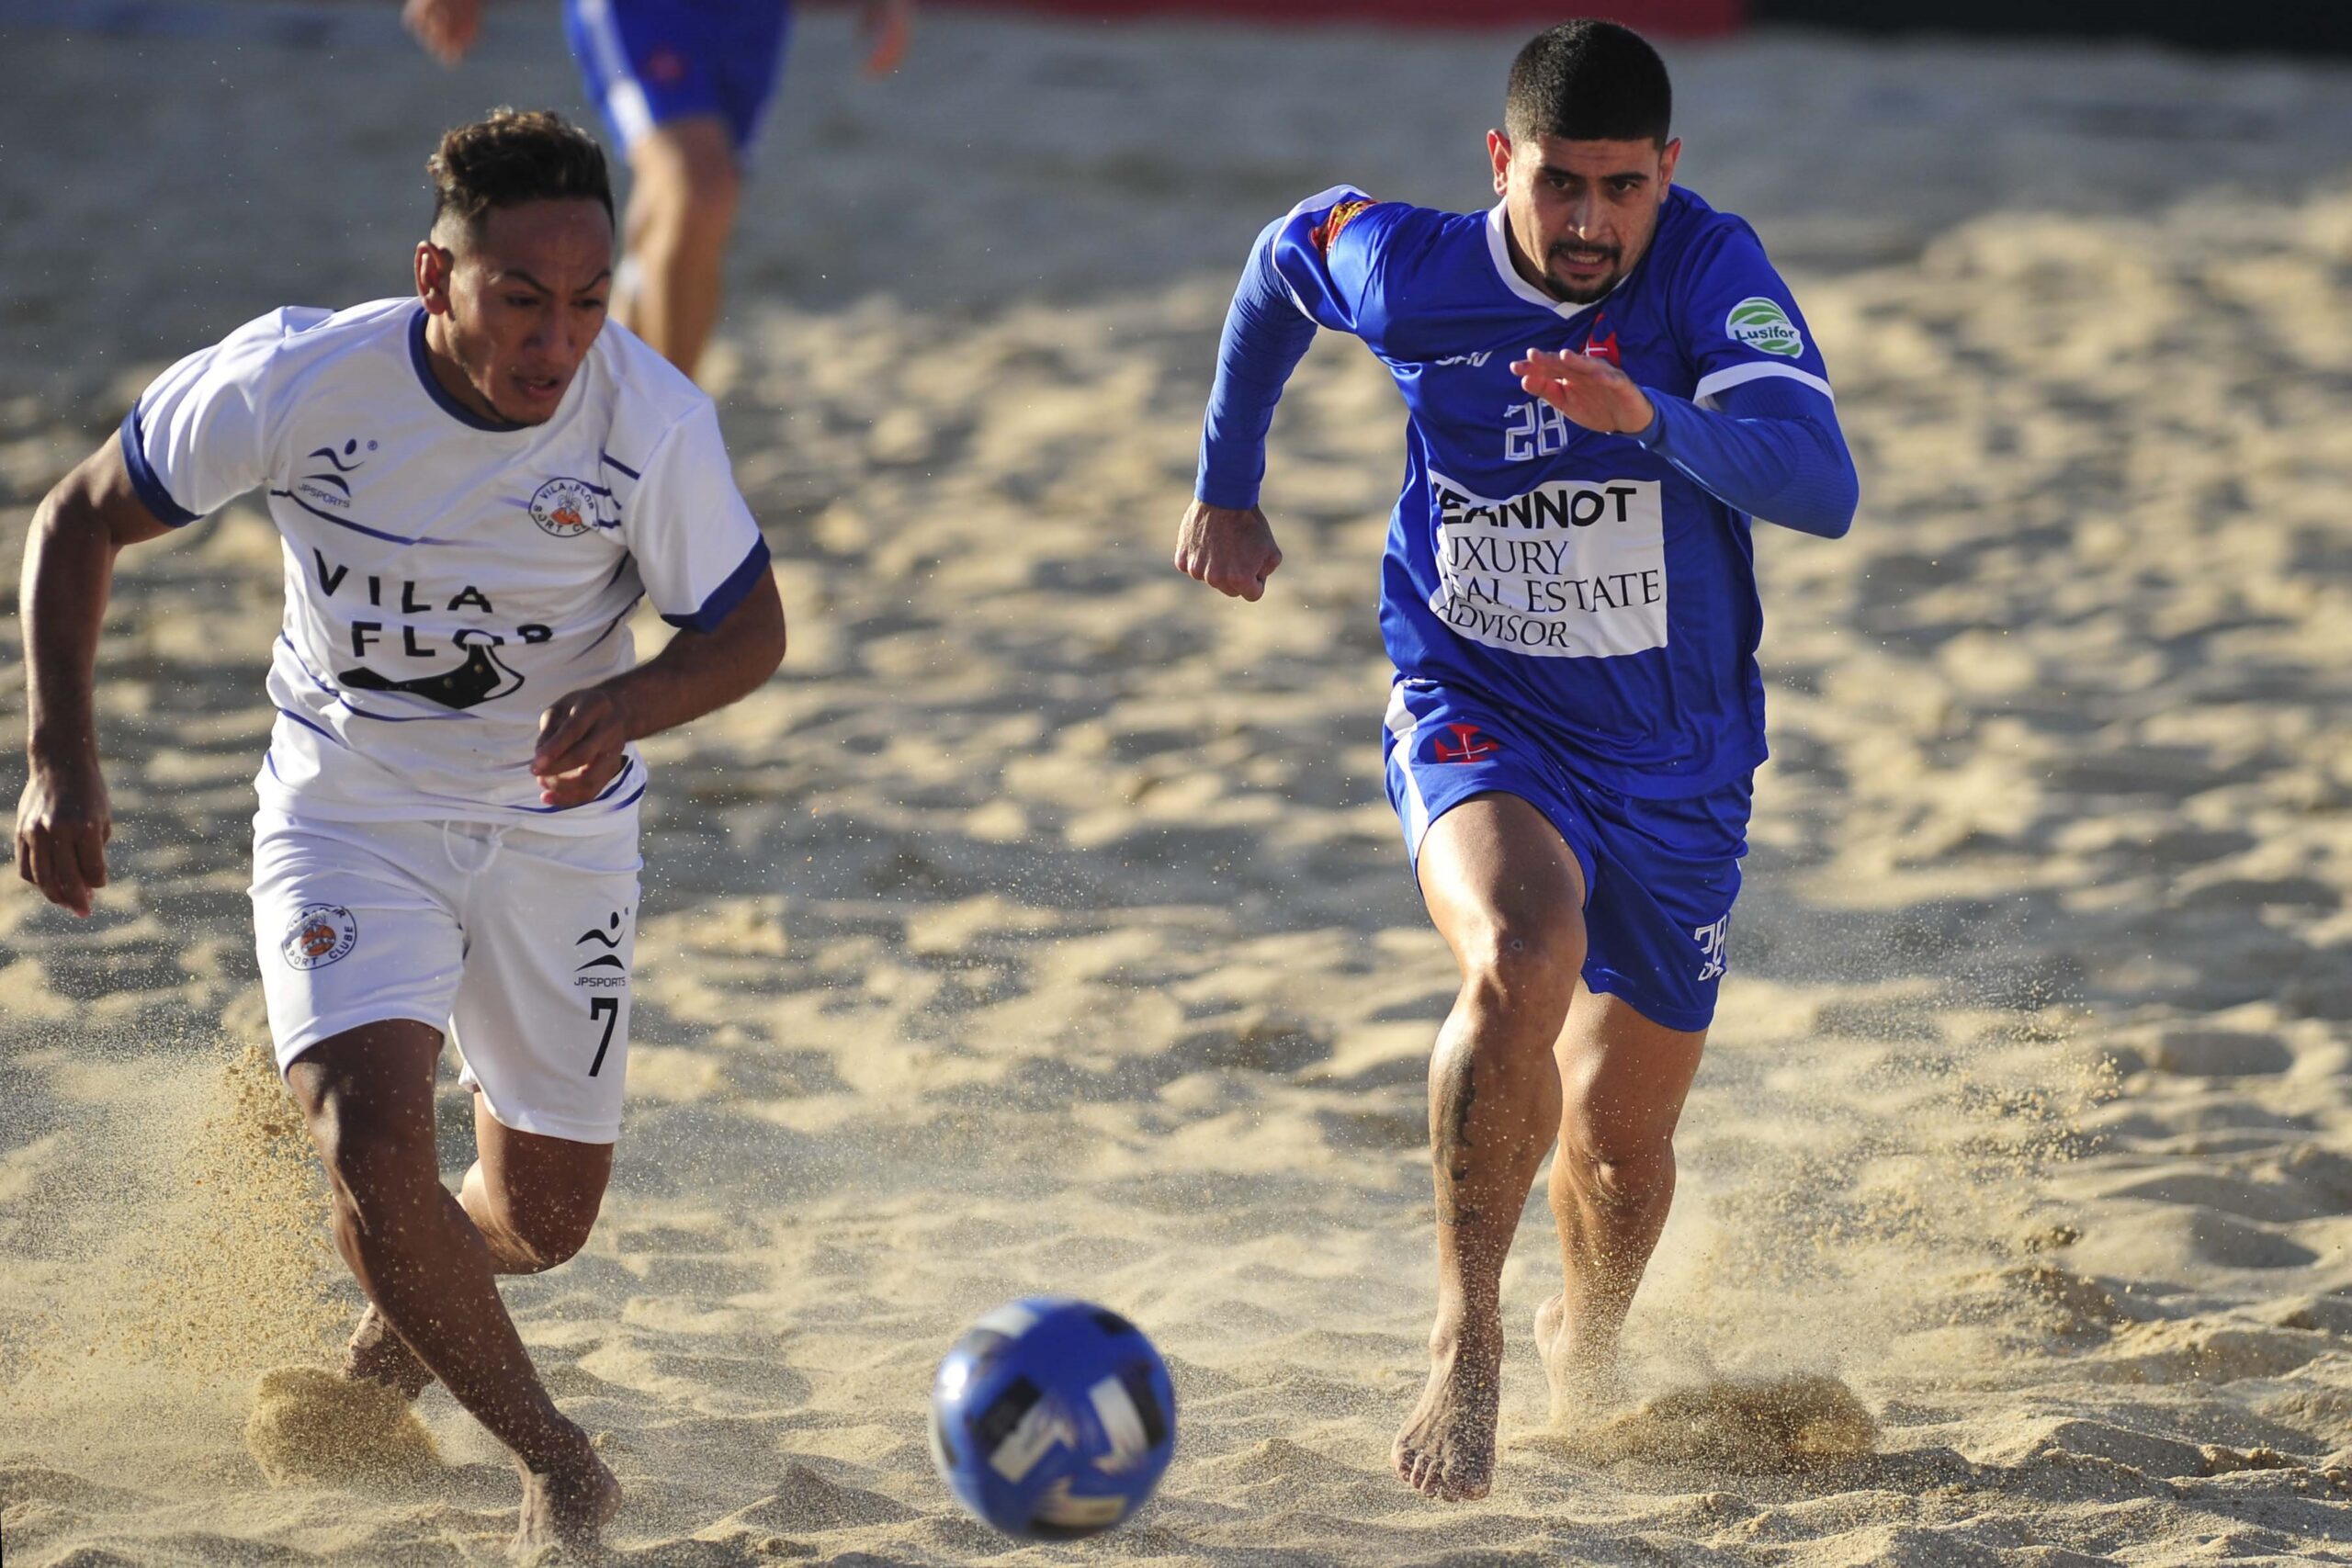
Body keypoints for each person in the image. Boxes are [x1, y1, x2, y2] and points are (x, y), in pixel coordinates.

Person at [14, 108, 787, 1556]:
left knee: (544, 1216)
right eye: (520, 298)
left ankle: (397, 1333)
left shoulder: (651, 421)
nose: (558, 339)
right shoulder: (304, 376)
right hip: (346, 808)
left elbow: (750, 629)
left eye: (587, 299)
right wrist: (60, 755)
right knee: (372, 1140)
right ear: (435, 276)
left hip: (556, 833)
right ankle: (560, 1461)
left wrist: (636, 697)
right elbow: (78, 519)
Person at [1173, 20, 1858, 1501]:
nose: (1594, 223)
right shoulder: (1416, 269)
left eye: (1626, 187)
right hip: (1475, 699)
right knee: (1522, 947)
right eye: (1563, 185)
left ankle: (1581, 1343)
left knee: (1618, 1155)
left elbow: (1823, 482)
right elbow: (1282, 256)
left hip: (1679, 756)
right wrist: (1229, 486)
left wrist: (1655, 419)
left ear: (1669, 173)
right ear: (1504, 163)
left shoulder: (1705, 270)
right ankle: (1464, 1331)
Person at [403, 0, 915, 381]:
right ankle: (664, 443)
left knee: (677, 210)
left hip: (751, 16)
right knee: (699, 186)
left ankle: (596, 400)